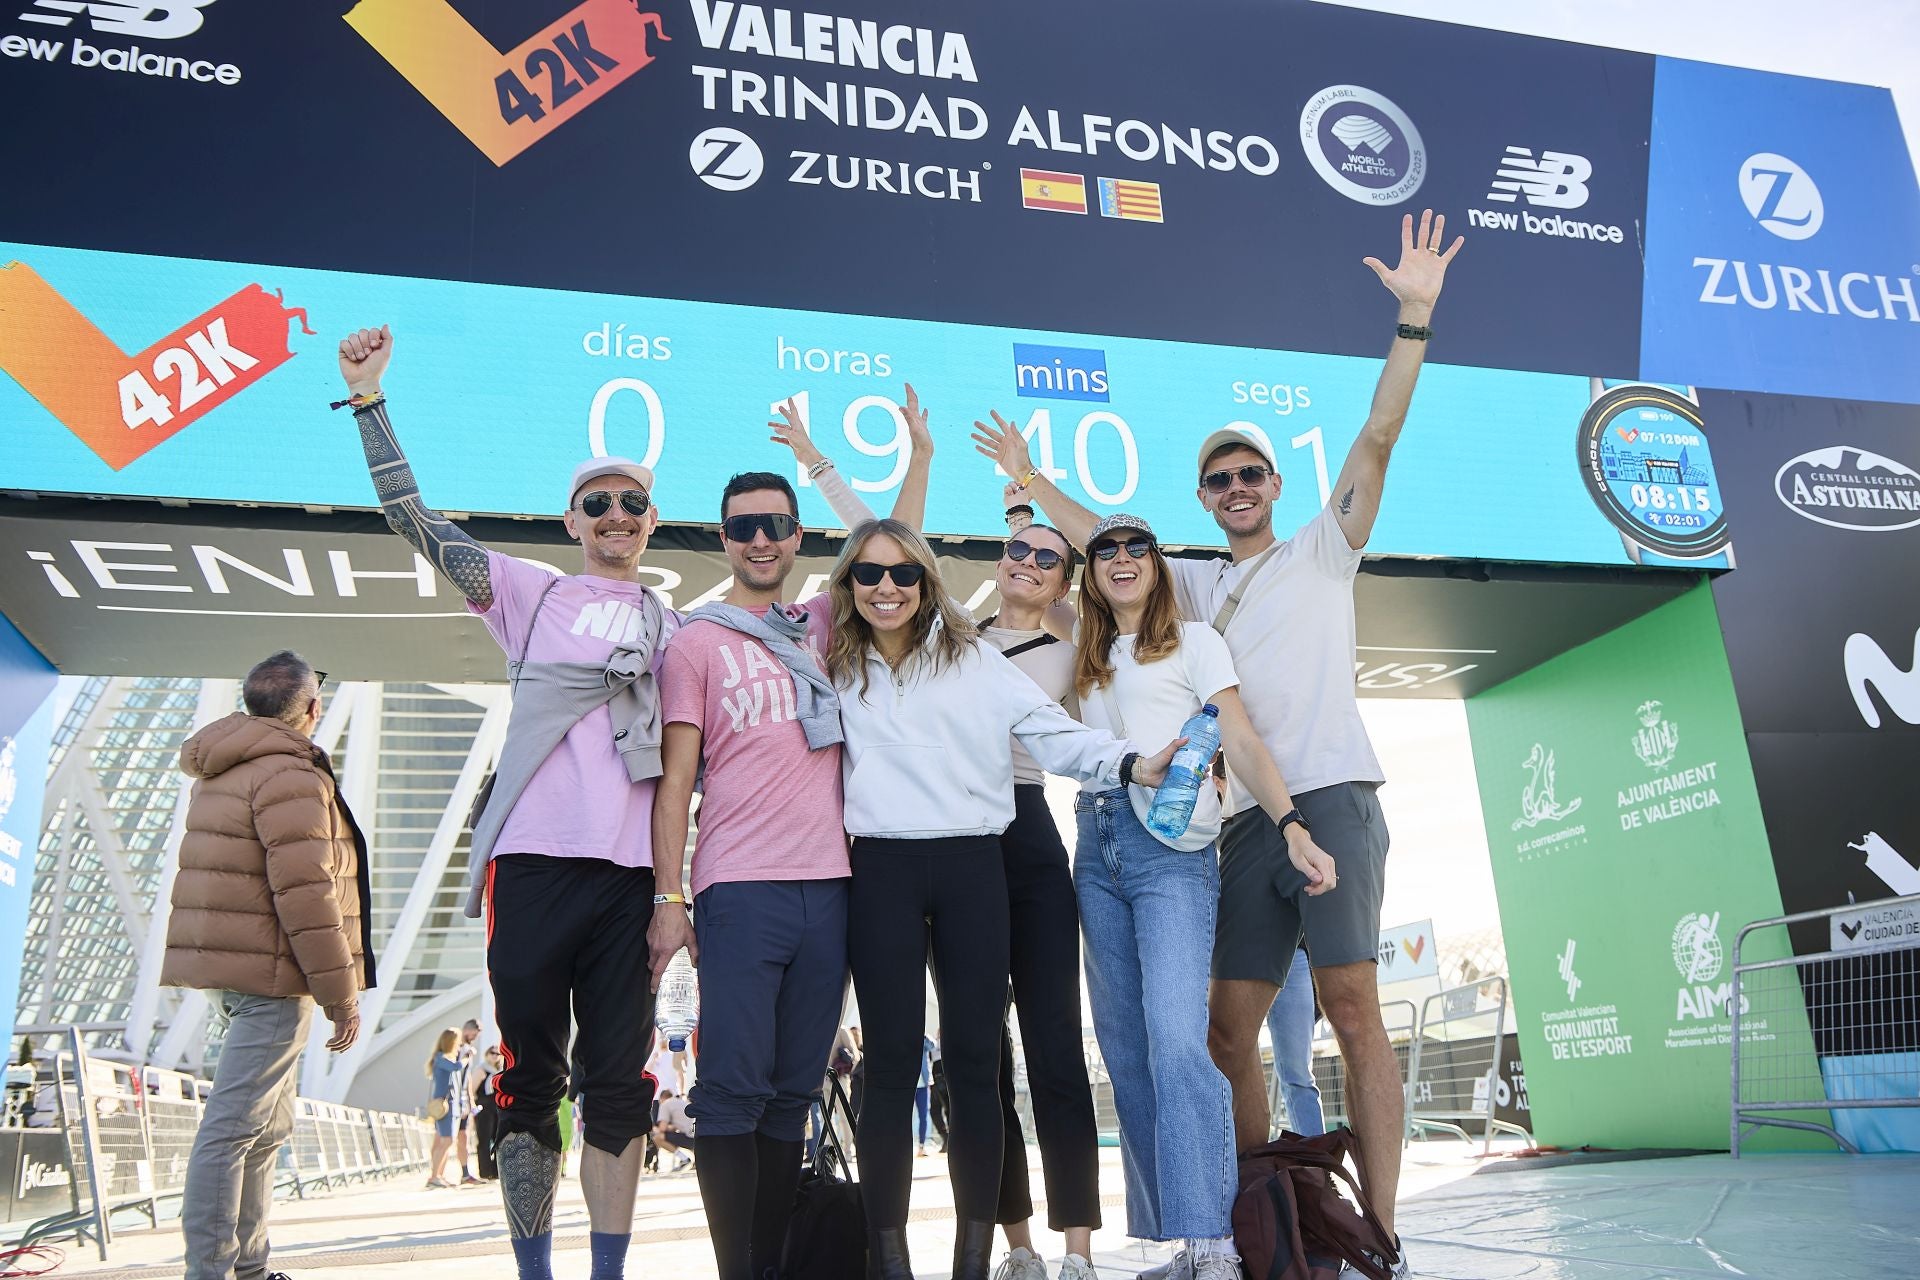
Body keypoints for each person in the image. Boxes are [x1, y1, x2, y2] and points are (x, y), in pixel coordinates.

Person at [972, 212, 1462, 1276]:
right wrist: (1026, 477)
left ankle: (1385, 1234)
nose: (1237, 488)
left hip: (1326, 797)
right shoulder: (1198, 588)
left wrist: (1413, 320)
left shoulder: (1323, 549)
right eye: (1220, 481)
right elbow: (1109, 537)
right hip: (1234, 825)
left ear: (1275, 485)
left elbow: (1376, 438)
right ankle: (1253, 1229)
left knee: (1350, 1011)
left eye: (1251, 475)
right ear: (1204, 498)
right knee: (1222, 1035)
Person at [339, 325, 672, 1280]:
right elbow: (416, 522)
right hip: (530, 868)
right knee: (531, 1081)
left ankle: (606, 1271)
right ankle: (535, 1272)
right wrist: (370, 401)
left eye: (632, 503)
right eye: (596, 503)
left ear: (652, 519)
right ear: (573, 522)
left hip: (631, 882)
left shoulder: (675, 627)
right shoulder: (530, 594)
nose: (616, 514)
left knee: (617, 1085)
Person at [824, 517, 1183, 1280]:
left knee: (976, 1056)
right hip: (880, 871)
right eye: (868, 575)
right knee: (890, 1068)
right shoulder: (836, 663)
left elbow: (1055, 736)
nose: (886, 588)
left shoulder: (974, 661)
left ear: (926, 583)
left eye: (904, 574)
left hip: (972, 867)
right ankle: (887, 1263)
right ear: (848, 587)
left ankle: (976, 1262)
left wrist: (1133, 765)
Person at [650, 392, 929, 1280]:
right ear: (723, 539)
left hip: (833, 891)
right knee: (730, 1093)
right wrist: (670, 898)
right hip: (739, 889)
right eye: (743, 528)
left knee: (792, 1093)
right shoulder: (694, 642)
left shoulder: (823, 624)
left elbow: (898, 552)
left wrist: (914, 457)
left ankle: (771, 1263)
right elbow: (676, 779)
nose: (760, 539)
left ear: (799, 535)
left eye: (775, 524)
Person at [1067, 514, 1335, 1280]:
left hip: (1172, 849)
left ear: (1157, 565)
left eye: (1136, 549)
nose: (1120, 559)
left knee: (1180, 1041)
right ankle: (1179, 1240)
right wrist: (1020, 496)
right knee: (1125, 1048)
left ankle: (1216, 1239)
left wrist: (1290, 824)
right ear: (1090, 572)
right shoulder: (1082, 654)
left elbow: (1242, 738)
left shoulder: (1194, 640)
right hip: (1095, 838)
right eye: (1105, 551)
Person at [164, 650, 374, 1280]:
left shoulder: (226, 764)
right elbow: (307, 894)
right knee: (232, 1129)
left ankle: (251, 1268)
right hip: (275, 977)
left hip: (235, 971)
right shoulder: (289, 774)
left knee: (265, 1129)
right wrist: (341, 993)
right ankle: (210, 1271)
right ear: (311, 708)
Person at [976, 502, 1102, 1280]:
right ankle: (1017, 1247)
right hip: (956, 841)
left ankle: (1078, 1253)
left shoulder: (1077, 651)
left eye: (1046, 558)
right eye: (1017, 547)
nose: (1026, 560)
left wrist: (1032, 486)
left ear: (1065, 583)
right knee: (982, 1054)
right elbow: (890, 543)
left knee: (1056, 1046)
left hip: (1029, 834)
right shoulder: (947, 635)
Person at [1267, 947, 1323, 1138]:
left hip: (1292, 948)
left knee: (1299, 1074)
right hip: (1234, 938)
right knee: (1230, 1057)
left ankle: (1317, 1162)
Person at [428, 1028, 464, 1188]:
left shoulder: (443, 1058)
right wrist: (466, 1059)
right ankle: (434, 1176)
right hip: (444, 1105)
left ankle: (439, 1175)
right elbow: (456, 1067)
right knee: (446, 1141)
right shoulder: (441, 1058)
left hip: (452, 1105)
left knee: (447, 1141)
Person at [455, 1018, 483, 1185]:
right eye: (475, 1034)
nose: (475, 1037)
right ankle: (438, 1174)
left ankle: (465, 1173)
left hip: (463, 1101)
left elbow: (468, 1080)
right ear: (468, 1030)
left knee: (463, 1136)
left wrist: (471, 1101)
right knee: (448, 1138)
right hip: (454, 1100)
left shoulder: (468, 1050)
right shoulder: (456, 1046)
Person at [475, 1045, 506, 1180]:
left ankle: (496, 1170)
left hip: (498, 1108)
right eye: (492, 1053)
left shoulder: (500, 1071)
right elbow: (473, 1089)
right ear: (486, 1054)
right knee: (484, 1139)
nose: (495, 1056)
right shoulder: (481, 1070)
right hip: (484, 1108)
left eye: (497, 1053)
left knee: (498, 1138)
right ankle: (485, 1171)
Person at [654, 1089, 696, 1171]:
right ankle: (695, 1161)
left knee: (658, 1137)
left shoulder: (665, 1104)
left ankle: (684, 1159)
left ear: (661, 1098)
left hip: (688, 1138)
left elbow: (662, 1128)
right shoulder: (682, 1101)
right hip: (697, 1137)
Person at [915, 1037, 935, 1157]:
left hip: (923, 1084)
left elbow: (932, 1046)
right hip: (907, 1085)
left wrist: (923, 1036)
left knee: (923, 1115)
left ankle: (921, 1146)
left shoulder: (923, 1041)